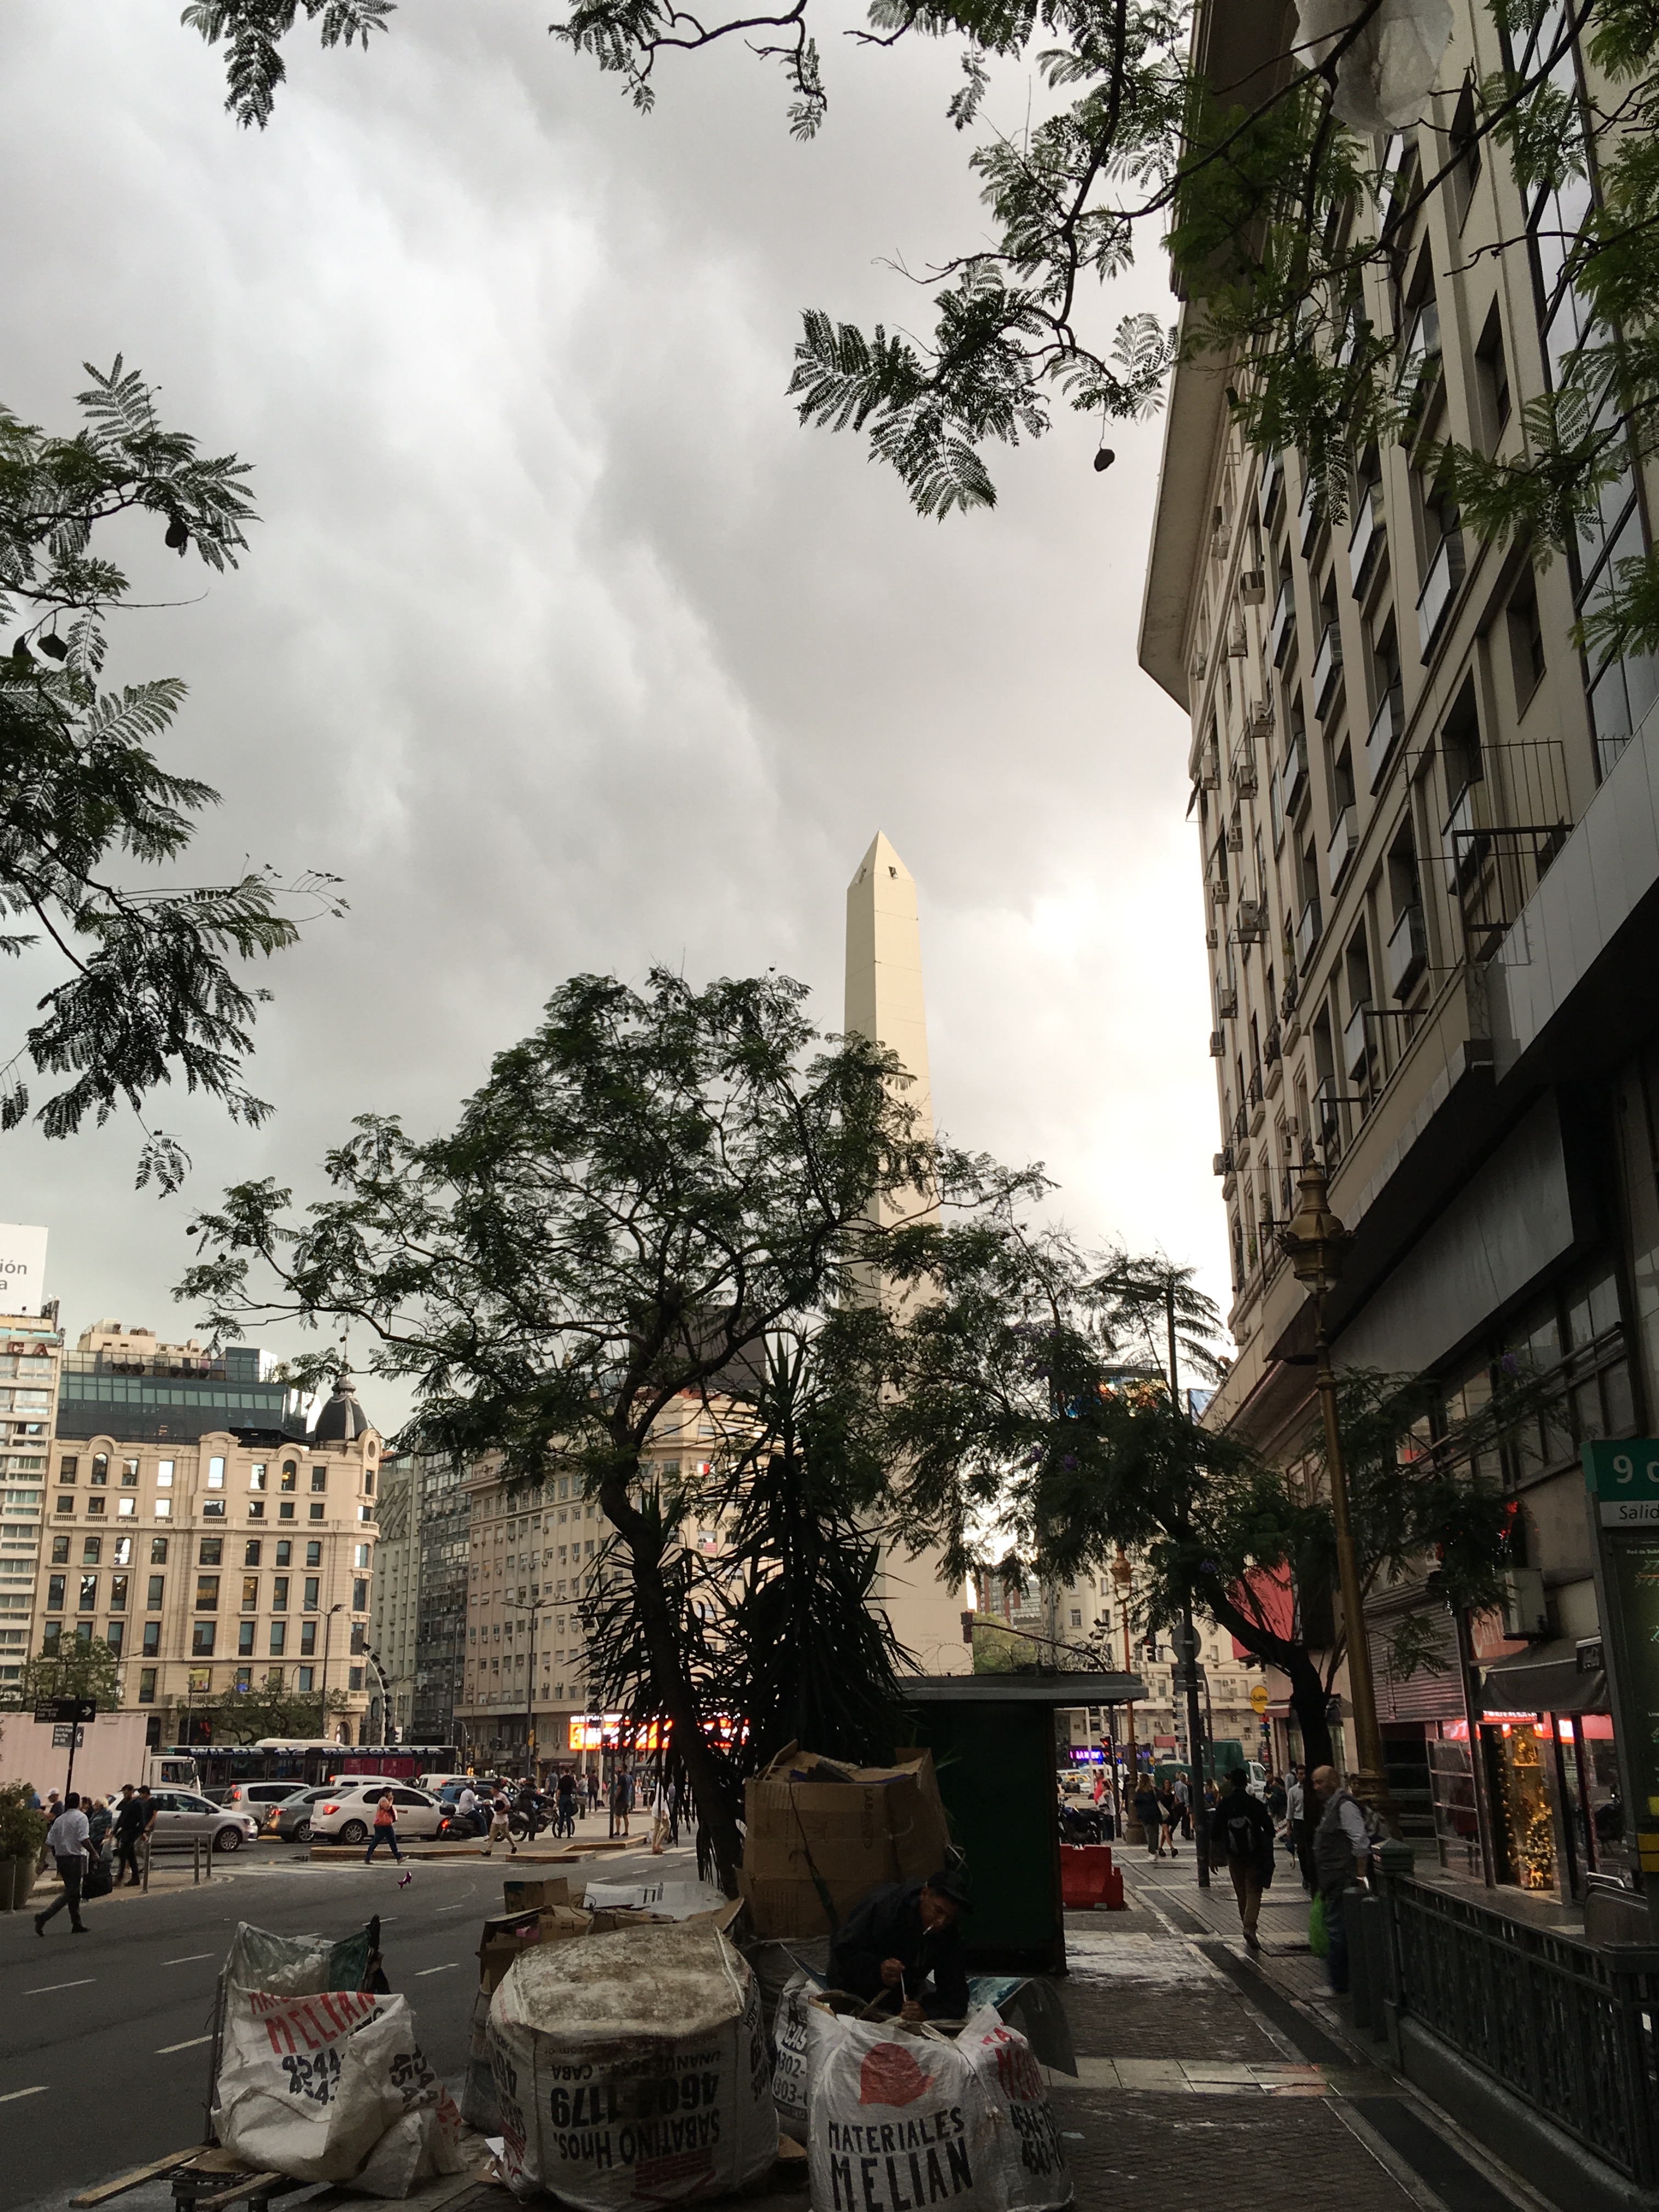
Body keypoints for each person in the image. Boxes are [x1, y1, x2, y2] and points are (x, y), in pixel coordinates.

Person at [828, 1869, 971, 2022]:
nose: (941, 1922)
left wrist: (927, 2013)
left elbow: (956, 1997)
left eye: (949, 1917)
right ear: (924, 1894)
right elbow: (842, 1952)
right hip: (853, 1987)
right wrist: (877, 1969)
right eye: (938, 1911)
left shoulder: (949, 1933)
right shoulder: (885, 1906)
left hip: (901, 1997)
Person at [1311, 1764, 1373, 1994]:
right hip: (1333, 1881)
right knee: (1337, 1929)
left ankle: (1340, 1984)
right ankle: (1341, 1982)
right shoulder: (1331, 1807)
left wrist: (1360, 1876)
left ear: (1333, 1781)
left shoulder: (1345, 1806)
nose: (1316, 1787)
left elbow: (1360, 1842)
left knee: (1338, 1931)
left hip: (1343, 1880)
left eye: (1320, 1782)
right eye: (1314, 1783)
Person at [1216, 1768, 1276, 1953]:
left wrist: (1212, 1858)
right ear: (1246, 1782)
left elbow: (1215, 1832)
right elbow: (1270, 1829)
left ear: (1232, 1783)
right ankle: (1250, 1927)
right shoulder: (1254, 1804)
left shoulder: (1225, 1804)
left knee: (1241, 1892)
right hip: (1254, 1854)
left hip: (1233, 1856)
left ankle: (1247, 1926)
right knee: (1254, 1891)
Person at [35, 1791, 92, 1936]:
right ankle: (45, 1916)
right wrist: (95, 1854)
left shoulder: (59, 1820)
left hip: (61, 1859)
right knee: (71, 1891)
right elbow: (84, 1839)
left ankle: (76, 1922)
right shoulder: (81, 1818)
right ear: (78, 1803)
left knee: (74, 1892)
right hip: (75, 1858)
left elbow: (49, 1842)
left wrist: (42, 1859)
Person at [364, 1788, 403, 1865]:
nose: (392, 1795)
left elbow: (391, 1809)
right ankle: (399, 1857)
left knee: (379, 1842)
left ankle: (367, 1858)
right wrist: (391, 1800)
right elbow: (387, 1808)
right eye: (390, 1793)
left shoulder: (385, 1800)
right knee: (391, 1841)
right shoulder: (383, 1800)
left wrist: (402, 1811)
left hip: (383, 1825)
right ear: (386, 1793)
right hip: (384, 1825)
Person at [482, 1790, 517, 1858]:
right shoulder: (494, 1797)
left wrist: (501, 1812)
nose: (491, 1791)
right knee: (492, 1835)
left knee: (506, 1835)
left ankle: (514, 1846)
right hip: (496, 1819)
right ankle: (489, 1850)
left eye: (492, 1789)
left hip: (503, 1819)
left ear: (496, 1790)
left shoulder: (502, 1797)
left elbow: (508, 1805)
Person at [1132, 1775, 1159, 1855]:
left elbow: (1135, 1803)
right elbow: (1159, 1798)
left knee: (1149, 1832)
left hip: (1145, 1815)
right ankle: (1154, 1849)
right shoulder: (1153, 1790)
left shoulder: (1139, 1791)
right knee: (1155, 1833)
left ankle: (1152, 1851)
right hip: (1154, 1813)